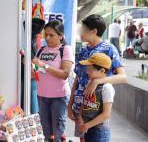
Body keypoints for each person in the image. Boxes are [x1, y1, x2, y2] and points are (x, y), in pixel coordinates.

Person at [68, 14, 127, 142]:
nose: (80, 33)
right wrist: (70, 104)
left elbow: (122, 77)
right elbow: (77, 79)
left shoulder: (109, 49)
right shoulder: (83, 50)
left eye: (83, 30)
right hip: (81, 107)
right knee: (83, 137)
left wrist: (98, 80)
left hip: (96, 110)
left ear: (94, 31)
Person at [33, 20, 74, 142]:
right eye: (46, 35)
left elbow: (65, 74)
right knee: (45, 132)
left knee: (57, 133)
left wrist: (44, 66)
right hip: (42, 95)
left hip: (58, 96)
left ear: (61, 36)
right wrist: (33, 66)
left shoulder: (65, 49)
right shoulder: (41, 49)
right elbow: (37, 69)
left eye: (52, 35)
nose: (48, 38)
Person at [77, 53, 115, 142]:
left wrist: (87, 125)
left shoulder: (107, 88)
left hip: (99, 132)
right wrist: (81, 118)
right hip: (88, 129)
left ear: (102, 71)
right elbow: (84, 103)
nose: (87, 71)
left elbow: (106, 115)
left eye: (90, 69)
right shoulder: (90, 83)